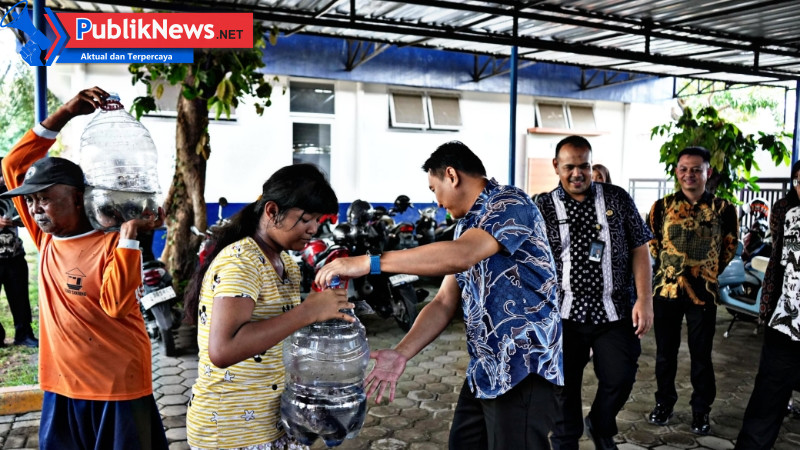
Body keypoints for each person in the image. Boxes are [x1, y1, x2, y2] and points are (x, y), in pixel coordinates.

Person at [315, 141, 563, 450]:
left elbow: (462, 255)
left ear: (452, 175)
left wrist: (370, 263)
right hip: (485, 370)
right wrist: (401, 353)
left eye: (434, 189)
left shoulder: (510, 203)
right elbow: (443, 301)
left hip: (522, 370)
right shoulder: (466, 226)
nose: (438, 201)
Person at [0, 87, 169, 449]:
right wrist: (66, 112)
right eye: (30, 201)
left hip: (116, 388)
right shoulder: (47, 237)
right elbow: (13, 166)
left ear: (79, 197)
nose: (34, 210)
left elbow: (116, 304)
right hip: (60, 385)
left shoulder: (114, 243)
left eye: (44, 198)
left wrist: (129, 234)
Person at [183, 164, 354, 449]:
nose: (313, 228)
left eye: (317, 220)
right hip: (231, 430)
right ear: (272, 211)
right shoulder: (241, 262)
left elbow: (279, 328)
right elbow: (223, 350)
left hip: (275, 420)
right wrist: (308, 311)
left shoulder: (285, 262)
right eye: (306, 219)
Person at [535, 136, 653, 450]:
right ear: (556, 167)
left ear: (591, 164)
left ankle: (601, 425)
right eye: (569, 166)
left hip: (615, 310)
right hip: (563, 313)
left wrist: (645, 299)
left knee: (621, 376)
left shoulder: (617, 198)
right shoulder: (543, 206)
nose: (577, 173)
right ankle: (565, 438)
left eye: (583, 166)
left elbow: (640, 248)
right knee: (563, 384)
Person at [647, 146, 738, 435]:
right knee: (665, 354)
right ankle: (664, 403)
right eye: (684, 169)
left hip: (704, 293)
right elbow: (654, 244)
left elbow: (729, 248)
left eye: (696, 169)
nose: (690, 174)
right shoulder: (660, 207)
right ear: (677, 172)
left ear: (707, 173)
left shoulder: (723, 208)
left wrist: (707, 273)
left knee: (701, 354)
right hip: (666, 292)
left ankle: (701, 410)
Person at [735, 160, 800, 449]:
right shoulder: (791, 214)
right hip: (785, 325)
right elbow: (780, 266)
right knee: (765, 404)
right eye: (798, 180)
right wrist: (769, 312)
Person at [0, 163, 37, 348]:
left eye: (2, 175)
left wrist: (15, 219)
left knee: (20, 298)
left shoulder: (14, 194)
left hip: (15, 255)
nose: (1, 179)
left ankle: (24, 335)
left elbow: (28, 218)